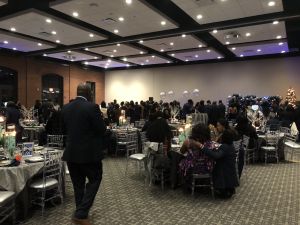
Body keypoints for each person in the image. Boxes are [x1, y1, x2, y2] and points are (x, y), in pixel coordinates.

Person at [62, 83, 106, 225]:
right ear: (89, 93)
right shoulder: (92, 107)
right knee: (95, 179)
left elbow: (64, 130)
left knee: (78, 185)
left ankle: (81, 213)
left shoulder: (66, 107)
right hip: (89, 154)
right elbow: (101, 129)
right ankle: (81, 213)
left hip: (71, 153)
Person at [202, 129, 239, 198]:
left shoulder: (224, 147)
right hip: (230, 171)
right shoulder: (231, 145)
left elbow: (216, 156)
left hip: (223, 170)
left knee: (210, 167)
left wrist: (203, 148)